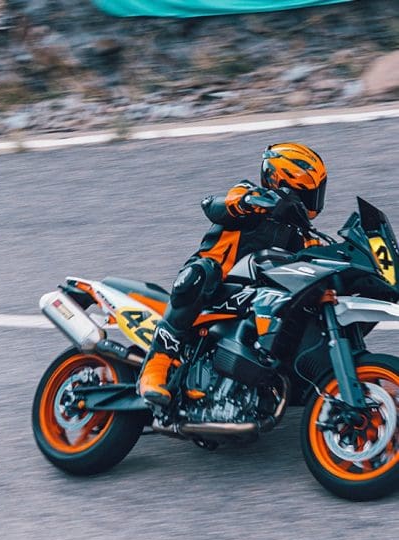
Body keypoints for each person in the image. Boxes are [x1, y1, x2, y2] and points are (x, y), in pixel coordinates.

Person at [138, 142, 327, 414]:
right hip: (214, 286)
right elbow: (213, 206)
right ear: (285, 183)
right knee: (198, 275)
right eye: (310, 192)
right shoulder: (249, 196)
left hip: (255, 298)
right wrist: (251, 201)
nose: (315, 200)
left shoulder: (303, 236)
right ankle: (156, 365)